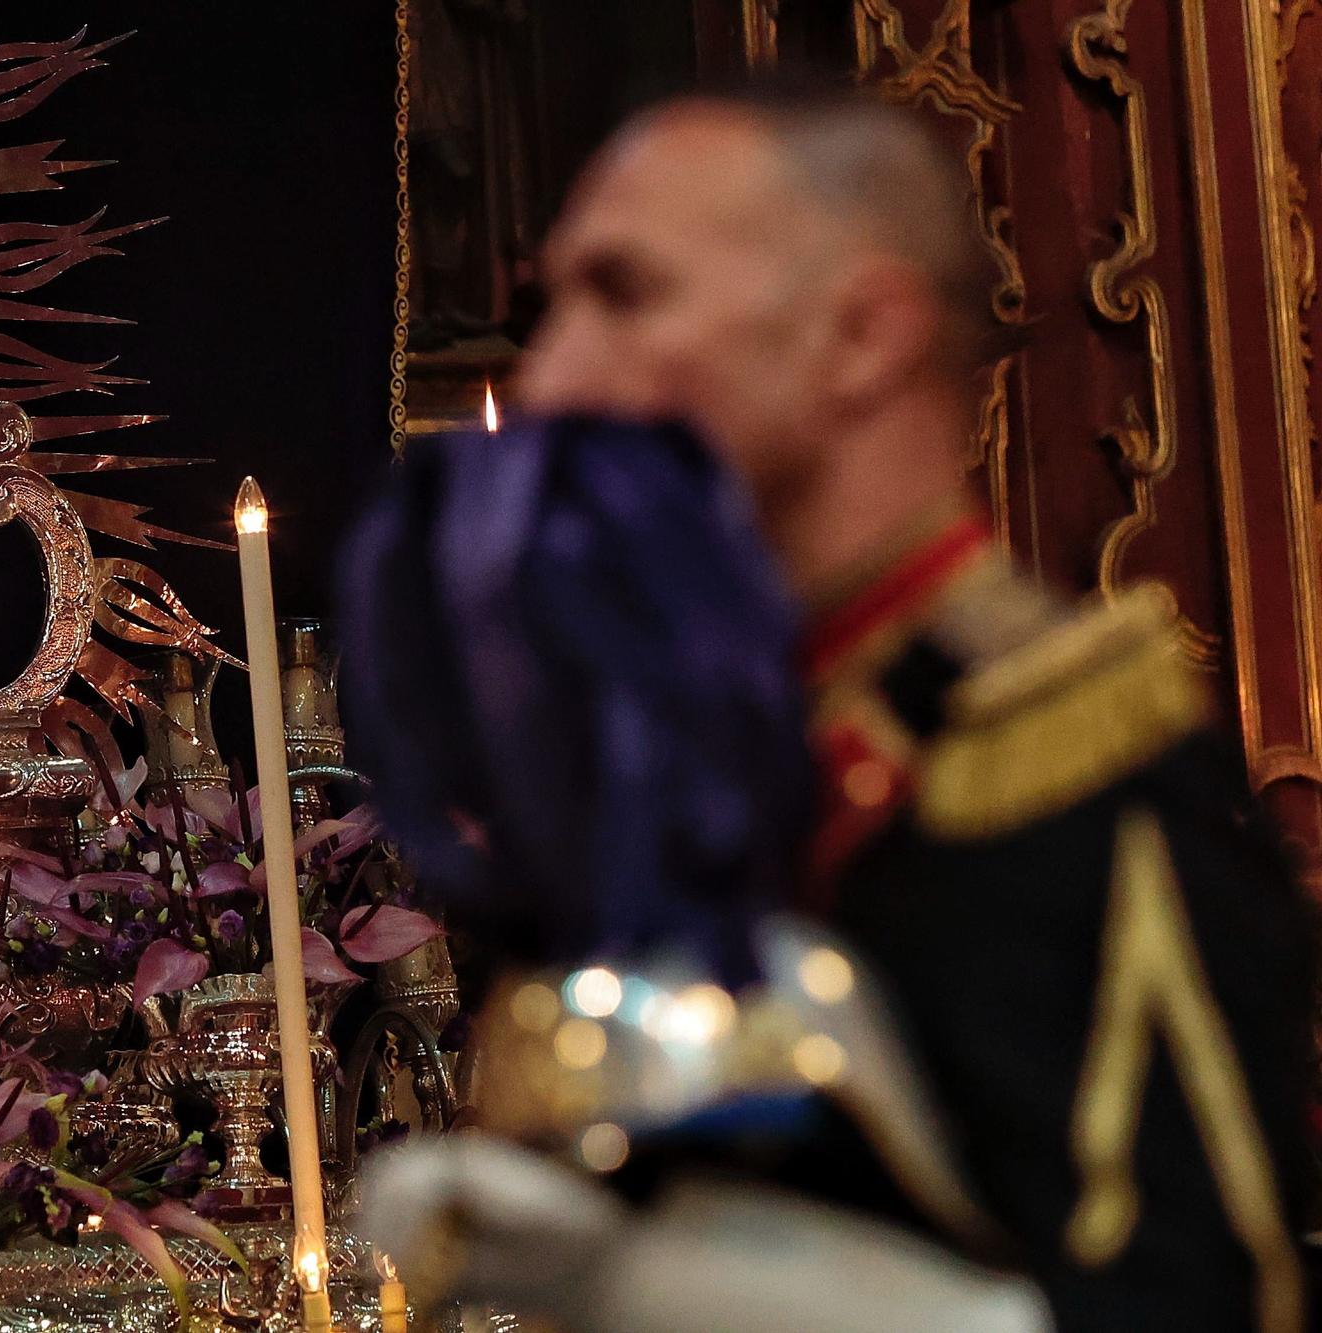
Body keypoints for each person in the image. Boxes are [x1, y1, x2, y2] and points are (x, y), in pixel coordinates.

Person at [356, 79, 1315, 1331]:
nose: (546, 384)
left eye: (625, 294)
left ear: (860, 335)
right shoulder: (673, 760)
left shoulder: (1064, 775)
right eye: (552, 309)